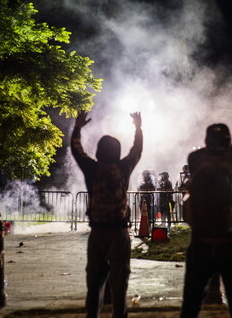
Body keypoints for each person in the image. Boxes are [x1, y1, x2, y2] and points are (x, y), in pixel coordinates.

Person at [180, 90, 232, 318]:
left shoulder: (194, 159)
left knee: (190, 306)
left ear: (207, 142)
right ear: (229, 142)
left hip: (201, 244)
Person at [71, 111, 143, 318]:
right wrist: (138, 128)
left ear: (99, 152)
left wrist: (77, 128)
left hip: (97, 234)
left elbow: (77, 150)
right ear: (117, 152)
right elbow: (137, 150)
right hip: (119, 233)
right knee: (120, 284)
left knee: (94, 283)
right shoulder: (123, 167)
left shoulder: (92, 168)